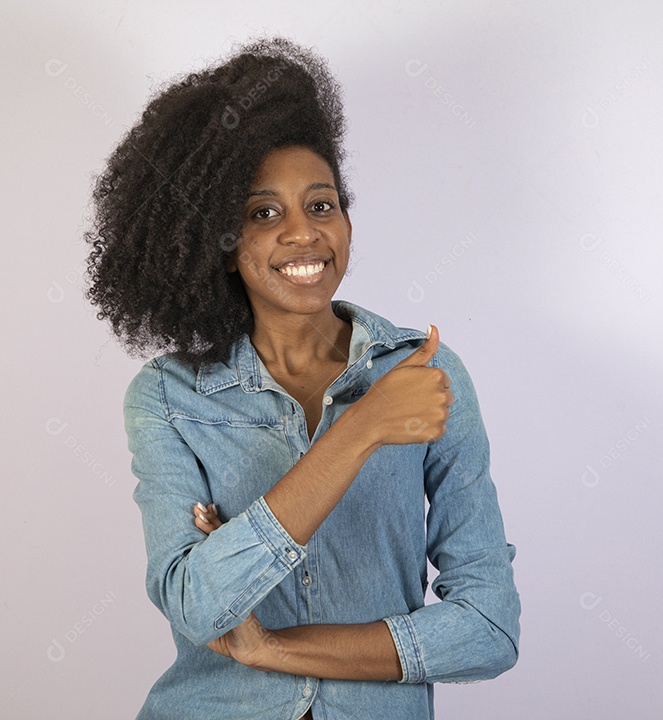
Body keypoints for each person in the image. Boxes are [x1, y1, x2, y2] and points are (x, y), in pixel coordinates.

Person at [85, 37, 520, 720]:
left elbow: (489, 629)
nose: (303, 233)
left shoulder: (426, 375)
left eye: (321, 205)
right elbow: (198, 603)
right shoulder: (170, 398)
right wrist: (364, 429)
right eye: (264, 214)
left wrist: (273, 647)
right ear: (222, 246)